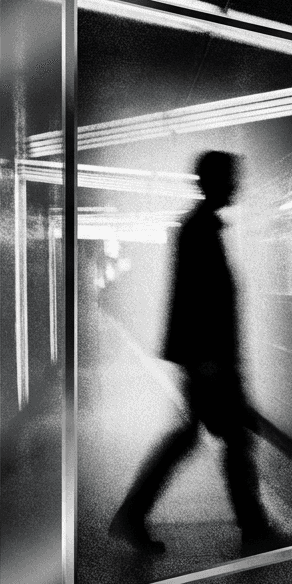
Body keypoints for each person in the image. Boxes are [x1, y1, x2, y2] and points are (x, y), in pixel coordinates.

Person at [109, 150, 276, 554]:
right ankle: (253, 532)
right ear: (213, 183)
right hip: (209, 362)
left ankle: (132, 516)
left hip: (209, 360)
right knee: (233, 440)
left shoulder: (204, 229)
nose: (238, 185)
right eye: (232, 178)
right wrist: (208, 364)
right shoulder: (198, 231)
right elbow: (197, 303)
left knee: (194, 437)